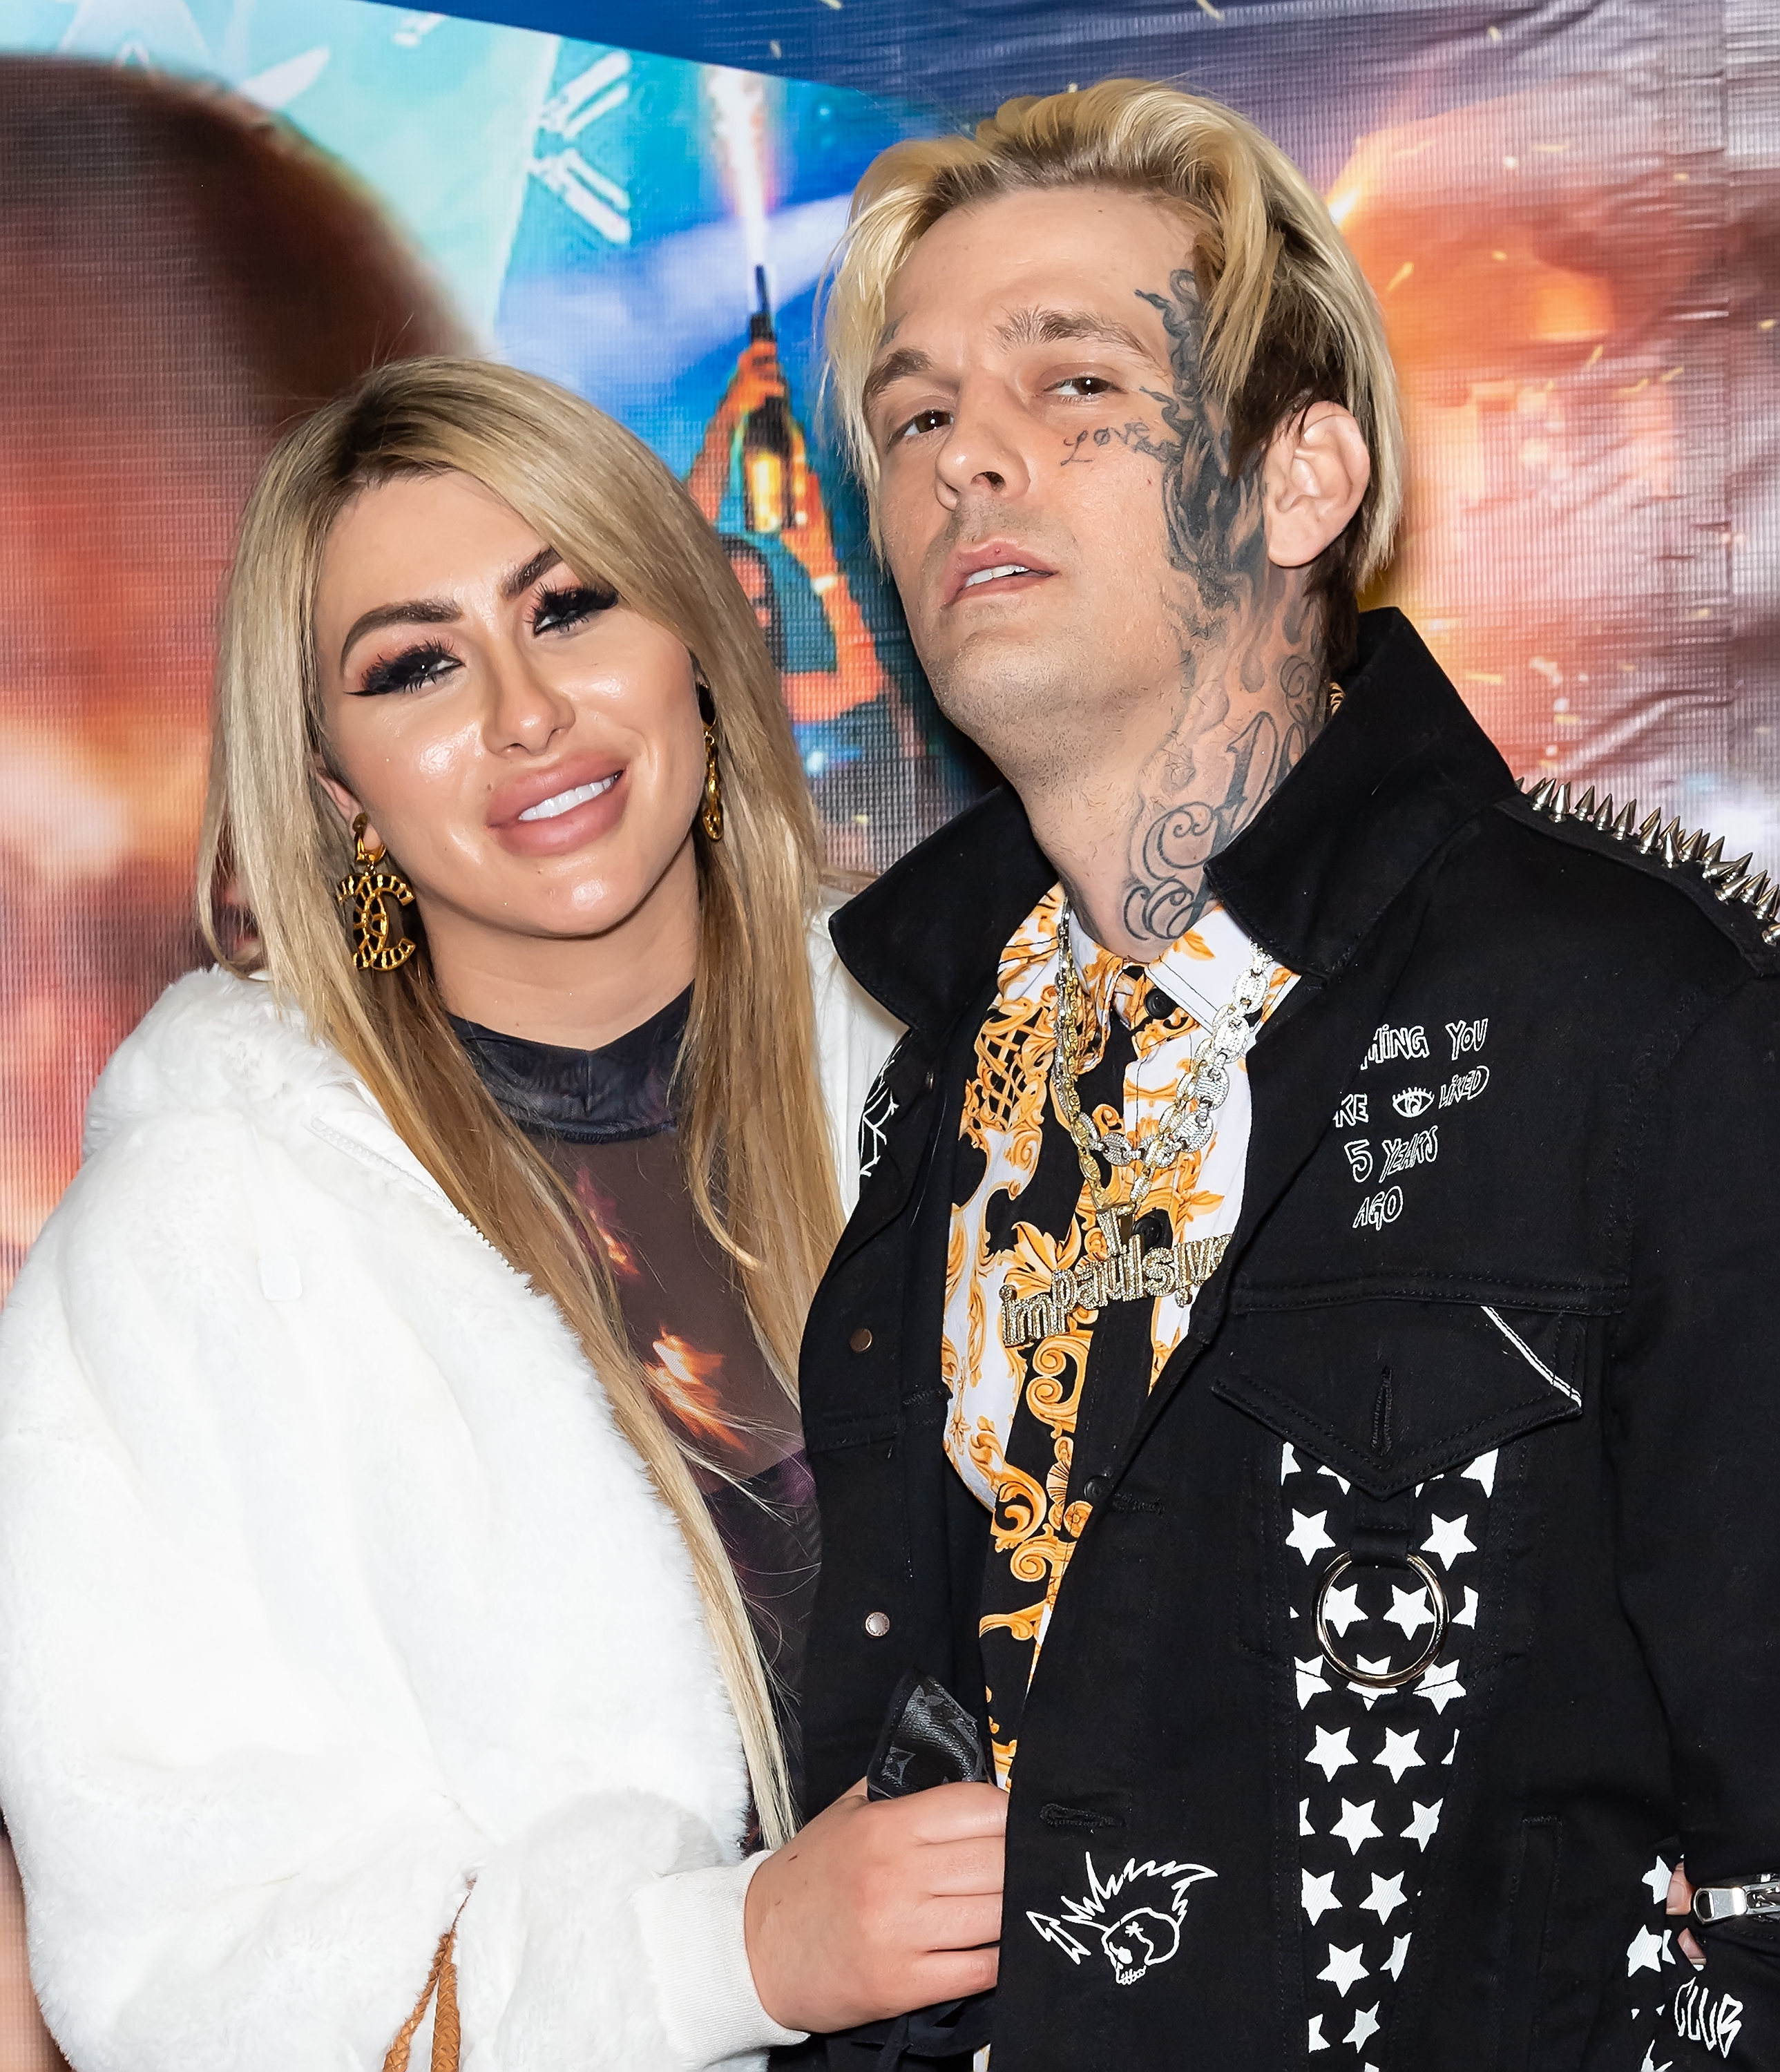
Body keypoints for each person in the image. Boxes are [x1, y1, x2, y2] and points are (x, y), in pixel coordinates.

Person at [792, 78, 1780, 2069]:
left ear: (1300, 477)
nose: (966, 453)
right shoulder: (920, 1073)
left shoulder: (1634, 1017)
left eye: (1073, 385)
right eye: (912, 418)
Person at [0, 358, 1005, 2071]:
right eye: (416, 666)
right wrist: (727, 1958)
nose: (525, 711)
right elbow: (185, 1980)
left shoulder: (985, 1064)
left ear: (696, 641)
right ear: (337, 789)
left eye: (568, 607)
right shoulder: (194, 1253)